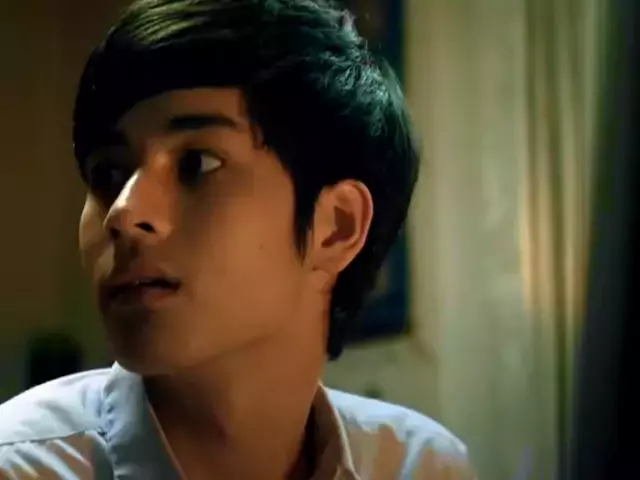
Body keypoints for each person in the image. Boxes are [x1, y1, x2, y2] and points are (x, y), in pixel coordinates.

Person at [0, 0, 474, 478]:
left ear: (337, 226)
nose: (123, 213)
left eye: (197, 164)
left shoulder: (421, 466)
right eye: (108, 173)